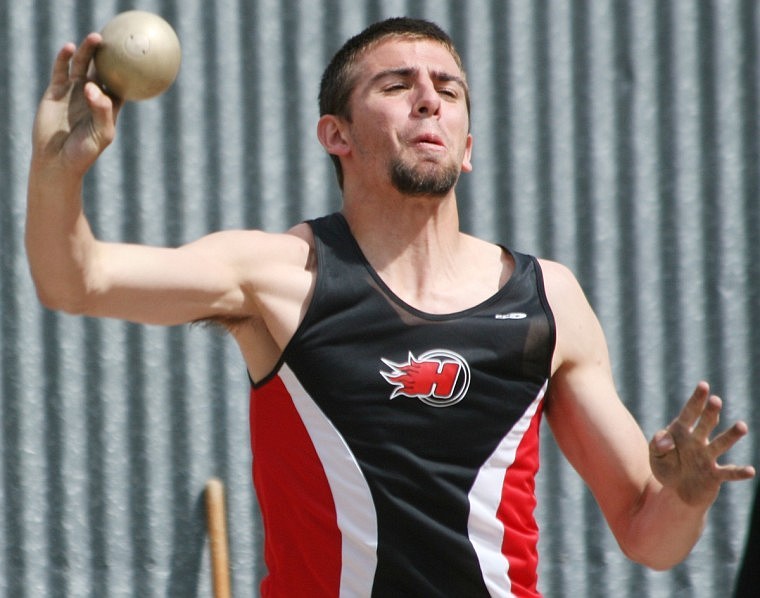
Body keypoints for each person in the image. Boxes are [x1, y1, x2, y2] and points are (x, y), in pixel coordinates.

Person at [26, 16, 755, 597]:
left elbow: (645, 535)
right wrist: (57, 170)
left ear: (467, 146)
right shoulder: (280, 276)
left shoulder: (546, 297)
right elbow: (75, 280)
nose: (429, 99)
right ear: (335, 135)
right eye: (397, 85)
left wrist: (686, 498)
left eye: (448, 87)